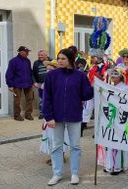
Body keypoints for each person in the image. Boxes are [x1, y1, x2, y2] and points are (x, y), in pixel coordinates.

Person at [43, 48, 93, 186]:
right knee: (56, 146)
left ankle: (74, 173)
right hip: (56, 116)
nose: (59, 61)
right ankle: (57, 173)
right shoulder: (52, 76)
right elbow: (47, 97)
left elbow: (87, 95)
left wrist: (92, 87)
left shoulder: (80, 76)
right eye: (58, 58)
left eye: (63, 58)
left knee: (75, 146)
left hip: (74, 115)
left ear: (70, 60)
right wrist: (48, 117)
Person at [96, 69, 128, 175]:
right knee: (109, 140)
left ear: (120, 77)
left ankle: (118, 166)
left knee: (118, 140)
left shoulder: (125, 88)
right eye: (112, 76)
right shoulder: (110, 87)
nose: (113, 77)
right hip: (110, 117)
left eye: (115, 75)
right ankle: (109, 165)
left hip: (120, 118)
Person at [39, 59, 68, 165]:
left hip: (58, 113)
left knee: (60, 134)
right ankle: (53, 156)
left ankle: (61, 156)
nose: (48, 72)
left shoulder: (62, 82)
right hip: (48, 112)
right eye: (47, 70)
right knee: (50, 135)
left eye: (50, 70)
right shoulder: (46, 82)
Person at [5, 46, 35, 121]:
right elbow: (9, 73)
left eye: (28, 52)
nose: (28, 53)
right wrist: (10, 85)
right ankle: (17, 115)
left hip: (28, 83)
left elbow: (30, 72)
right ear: (21, 52)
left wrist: (32, 81)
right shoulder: (13, 61)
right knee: (17, 100)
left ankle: (28, 114)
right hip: (17, 84)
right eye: (26, 52)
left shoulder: (28, 61)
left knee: (30, 99)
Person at [33, 50, 50, 119]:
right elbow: (33, 74)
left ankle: (49, 112)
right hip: (40, 84)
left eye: (42, 55)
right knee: (41, 100)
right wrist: (34, 82)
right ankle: (41, 113)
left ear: (46, 55)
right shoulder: (36, 63)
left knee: (50, 98)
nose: (40, 56)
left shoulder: (51, 61)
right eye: (39, 55)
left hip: (50, 84)